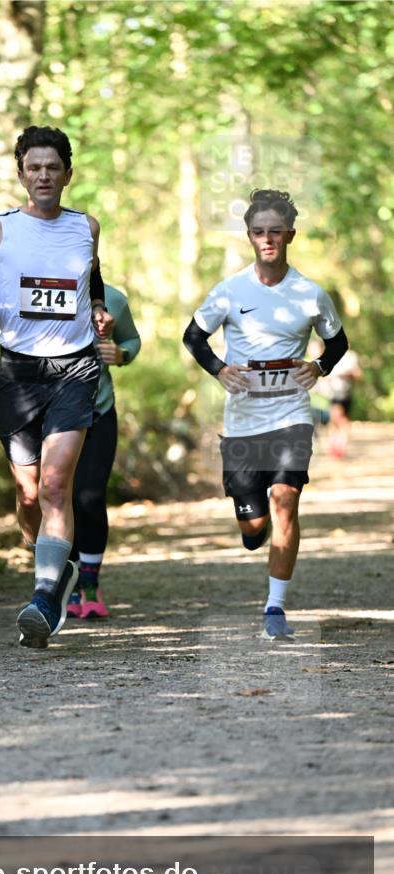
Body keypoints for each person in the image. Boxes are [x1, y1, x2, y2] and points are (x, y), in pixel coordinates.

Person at [0, 125, 113, 648]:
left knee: (54, 486)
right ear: (21, 174)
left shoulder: (85, 227)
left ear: (68, 173)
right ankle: (48, 567)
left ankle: (45, 596)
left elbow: (93, 283)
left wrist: (99, 312)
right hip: (18, 374)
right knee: (27, 493)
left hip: (75, 369)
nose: (43, 175)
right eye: (33, 167)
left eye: (52, 167)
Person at [183, 189, 348, 639]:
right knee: (254, 526)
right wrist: (220, 371)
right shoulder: (230, 291)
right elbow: (193, 338)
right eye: (259, 232)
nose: (268, 239)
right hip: (242, 423)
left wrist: (318, 366)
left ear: (290, 235)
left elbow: (337, 343)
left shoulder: (310, 294)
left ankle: (275, 607)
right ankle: (256, 534)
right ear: (249, 237)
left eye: (276, 231)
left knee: (285, 502)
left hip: (291, 415)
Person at [66, 284, 141, 619]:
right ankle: (63, 584)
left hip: (99, 410)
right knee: (58, 498)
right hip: (47, 414)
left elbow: (131, 340)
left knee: (90, 497)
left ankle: (90, 585)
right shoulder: (34, 281)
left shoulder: (113, 299)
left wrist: (121, 354)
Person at [324, 348, 362, 457]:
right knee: (334, 419)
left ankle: (341, 446)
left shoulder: (351, 357)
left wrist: (349, 374)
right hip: (332, 392)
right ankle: (334, 446)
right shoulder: (331, 354)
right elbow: (324, 374)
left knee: (342, 419)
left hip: (345, 392)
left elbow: (358, 375)